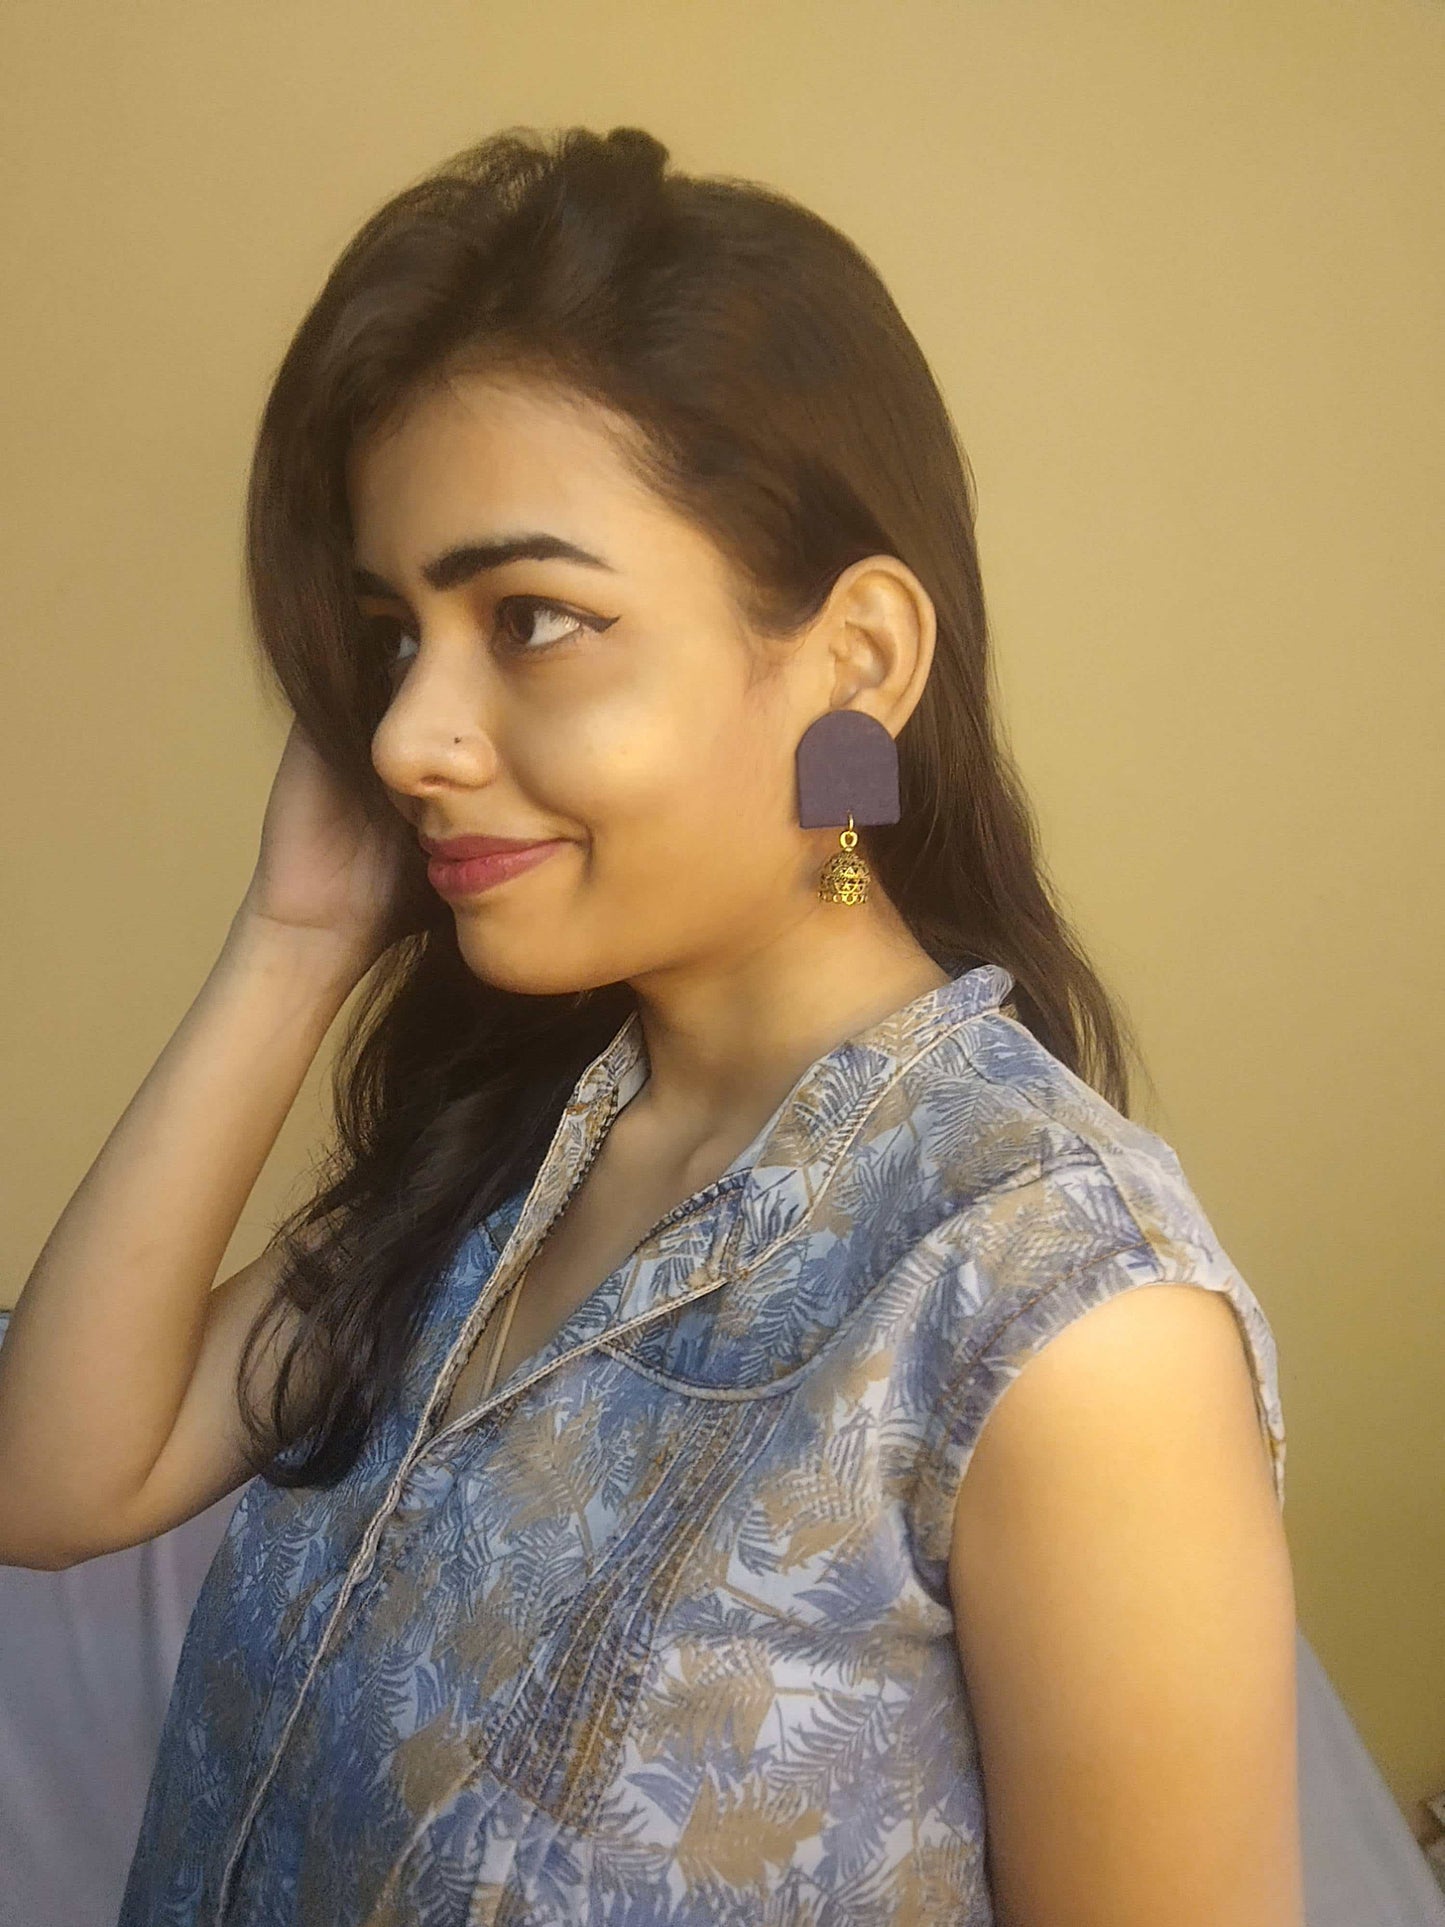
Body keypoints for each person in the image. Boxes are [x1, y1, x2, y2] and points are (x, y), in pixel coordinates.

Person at [0, 124, 1301, 1925]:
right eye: (396, 636)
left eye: (531, 617)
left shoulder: (1049, 1311)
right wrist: (294, 938)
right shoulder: (513, 1138)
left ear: (853, 666)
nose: (402, 738)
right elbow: (55, 1478)